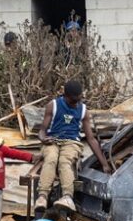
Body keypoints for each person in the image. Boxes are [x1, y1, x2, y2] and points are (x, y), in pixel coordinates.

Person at [35, 80, 110, 212]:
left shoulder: (83, 110)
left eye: (78, 99)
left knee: (65, 161)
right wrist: (43, 138)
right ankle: (42, 196)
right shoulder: (53, 106)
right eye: (73, 100)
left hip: (72, 142)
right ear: (65, 96)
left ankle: (67, 197)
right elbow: (42, 130)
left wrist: (104, 163)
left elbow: (91, 138)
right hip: (53, 140)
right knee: (51, 158)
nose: (76, 102)